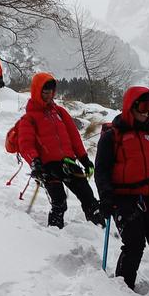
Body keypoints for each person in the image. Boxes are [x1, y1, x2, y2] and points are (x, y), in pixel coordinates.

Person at [95, 86, 149, 296]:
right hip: (124, 198)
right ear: (130, 106)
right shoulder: (112, 136)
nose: (147, 112)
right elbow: (102, 170)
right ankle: (123, 291)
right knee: (134, 244)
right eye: (144, 106)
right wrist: (106, 197)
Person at [16, 73, 103, 229]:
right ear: (37, 91)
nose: (49, 95)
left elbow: (74, 137)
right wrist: (35, 163)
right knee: (59, 201)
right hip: (48, 167)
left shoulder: (60, 112)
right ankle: (55, 237)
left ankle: (100, 228)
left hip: (68, 163)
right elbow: (26, 144)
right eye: (45, 91)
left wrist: (84, 158)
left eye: (51, 91)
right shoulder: (28, 118)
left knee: (88, 197)